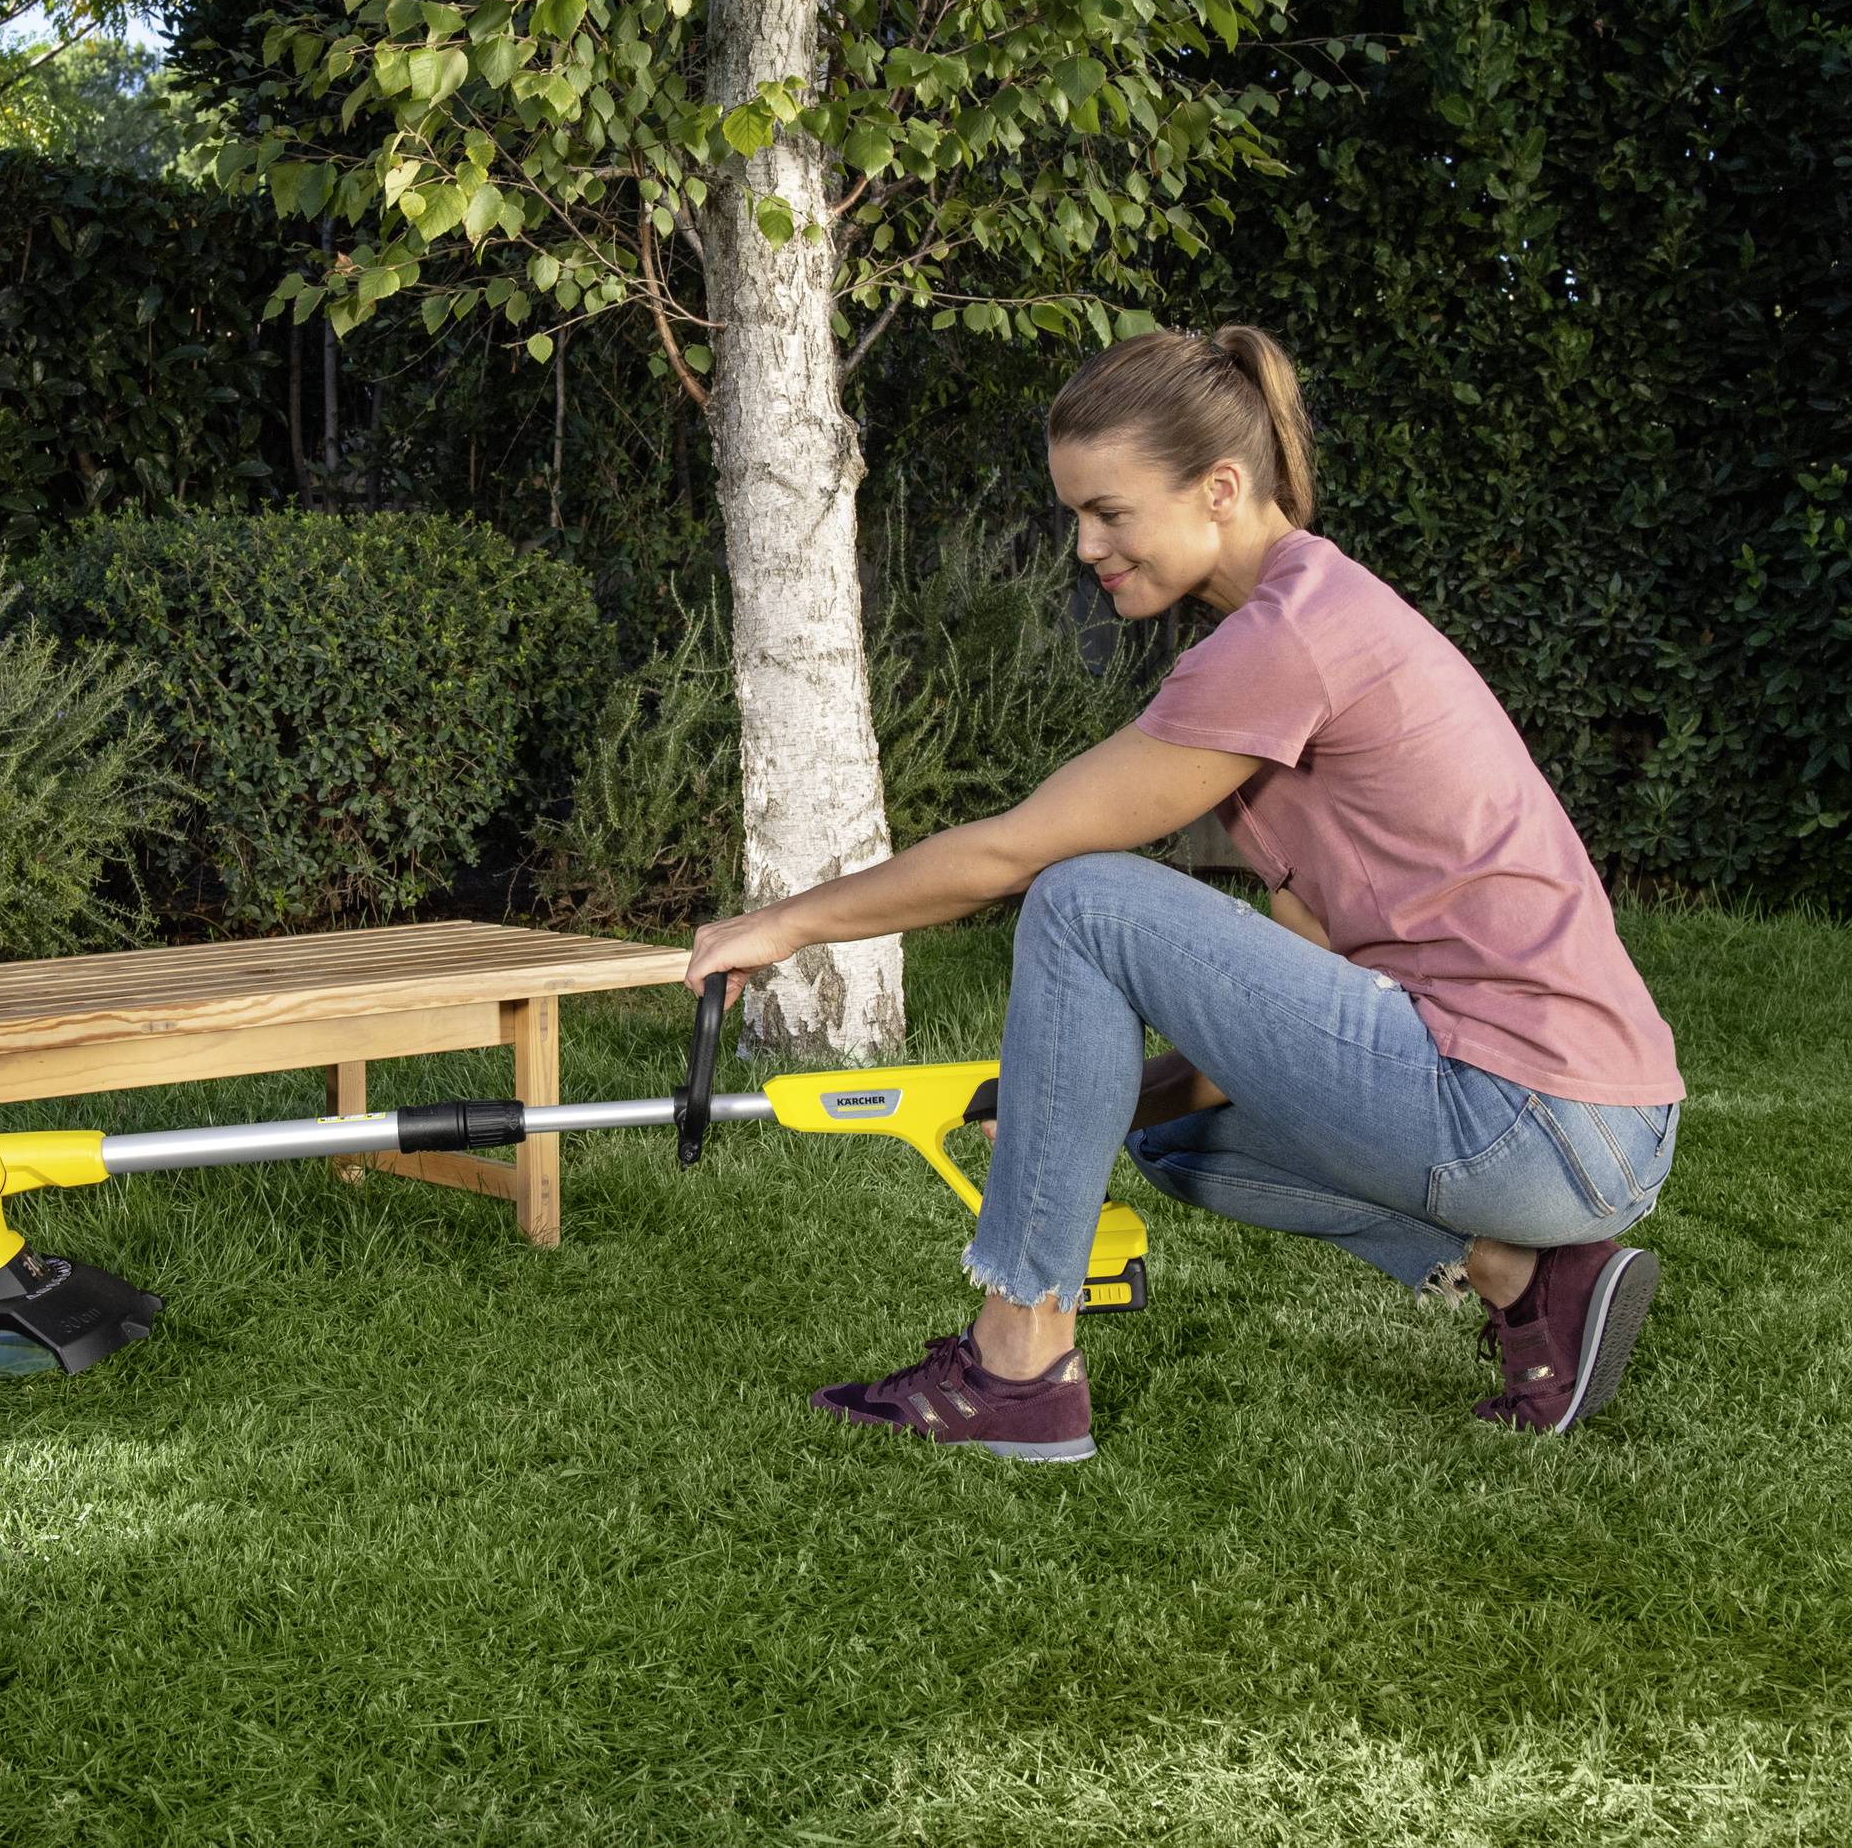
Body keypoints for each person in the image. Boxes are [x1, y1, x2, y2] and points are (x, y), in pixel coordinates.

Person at [682, 325, 1682, 1456]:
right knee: (1176, 1137)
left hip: (1526, 1112)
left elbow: (1015, 853)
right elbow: (1309, 991)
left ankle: (1018, 1359)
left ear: (1219, 489)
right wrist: (1075, 1096)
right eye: (1073, 514)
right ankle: (1523, 1272)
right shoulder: (1318, 610)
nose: (1083, 545)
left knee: (1083, 895)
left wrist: (783, 923)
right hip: (1586, 1126)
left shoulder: (1287, 641)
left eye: (1109, 512)